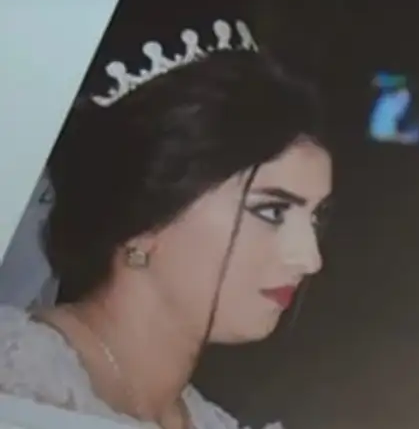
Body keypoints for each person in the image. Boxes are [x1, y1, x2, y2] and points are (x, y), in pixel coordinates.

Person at [0, 21, 331, 429]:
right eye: (272, 212)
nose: (310, 259)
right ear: (144, 219)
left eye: (315, 217)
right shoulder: (20, 385)